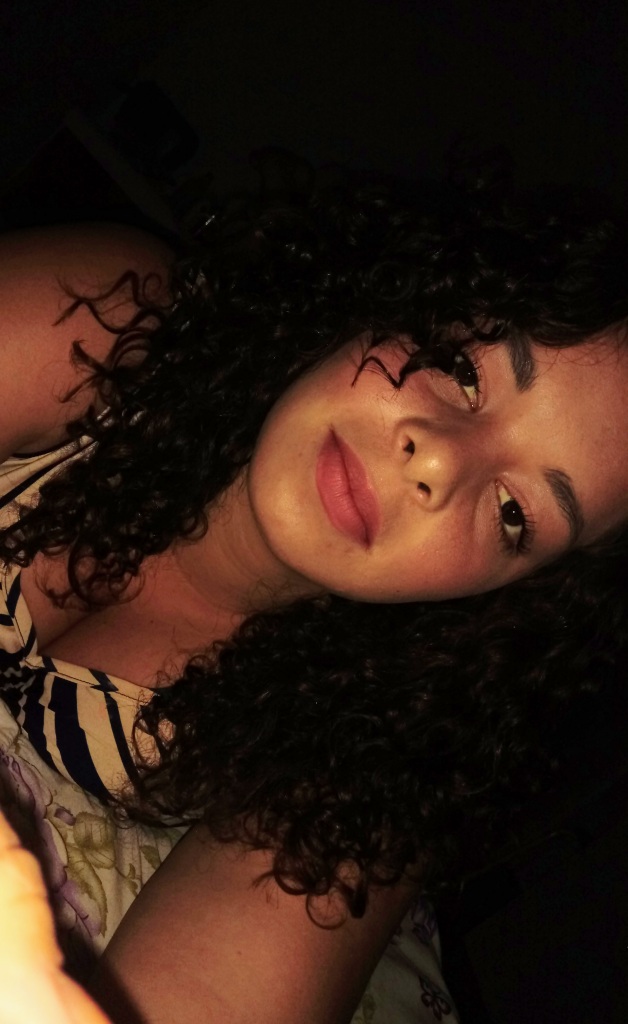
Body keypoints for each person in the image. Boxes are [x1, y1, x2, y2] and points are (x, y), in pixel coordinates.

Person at [1, 168, 628, 1024]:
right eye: (464, 373)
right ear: (407, 297)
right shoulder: (114, 316)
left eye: (515, 513)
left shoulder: (361, 782)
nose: (438, 460)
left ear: (511, 597)